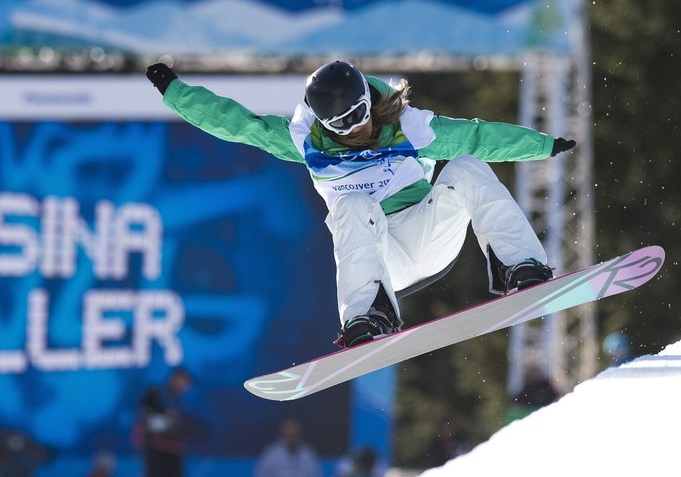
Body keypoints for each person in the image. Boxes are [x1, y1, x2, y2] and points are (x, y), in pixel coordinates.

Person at [146, 60, 576, 348]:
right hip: (379, 257)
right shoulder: (303, 142)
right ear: (324, 124)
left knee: (465, 165)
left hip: (428, 231)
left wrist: (543, 145)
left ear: (370, 101)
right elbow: (237, 123)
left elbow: (479, 136)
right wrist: (175, 92)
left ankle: (522, 268)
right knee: (350, 205)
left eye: (359, 113)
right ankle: (367, 317)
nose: (356, 128)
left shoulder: (412, 127)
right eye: (341, 123)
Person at [135, 368, 203, 477]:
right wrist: (169, 422)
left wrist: (181, 426)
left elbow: (191, 427)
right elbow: (147, 419)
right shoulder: (156, 394)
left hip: (174, 452)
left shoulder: (184, 404)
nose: (184, 385)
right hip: (156, 450)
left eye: (186, 383)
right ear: (173, 379)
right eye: (182, 380)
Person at [254, 418, 322, 477]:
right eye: (288, 435)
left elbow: (316, 474)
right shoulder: (271, 455)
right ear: (282, 435)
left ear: (300, 435)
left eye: (294, 435)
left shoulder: (308, 454)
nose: (291, 439)